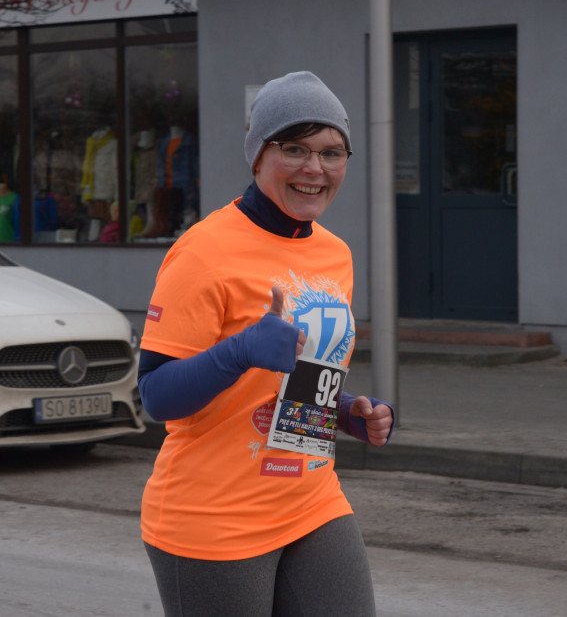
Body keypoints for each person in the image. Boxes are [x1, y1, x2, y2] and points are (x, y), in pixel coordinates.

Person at [137, 71, 395, 616]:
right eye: (295, 148)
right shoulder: (203, 253)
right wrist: (238, 351)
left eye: (332, 153)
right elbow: (156, 396)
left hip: (310, 499)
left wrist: (345, 411)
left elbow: (295, 391)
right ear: (257, 156)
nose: (314, 169)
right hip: (214, 515)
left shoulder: (335, 254)